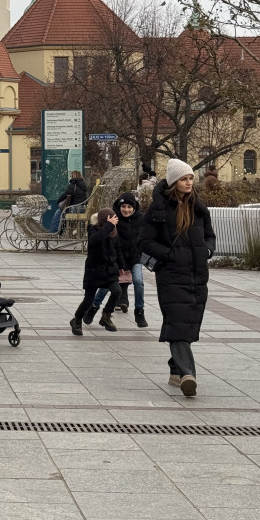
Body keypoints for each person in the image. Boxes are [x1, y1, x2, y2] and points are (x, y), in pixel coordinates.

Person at [138, 158, 216, 397]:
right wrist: (169, 255)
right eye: (184, 178)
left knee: (189, 324)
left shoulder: (197, 206)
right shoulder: (159, 209)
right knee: (178, 322)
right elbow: (144, 241)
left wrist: (207, 250)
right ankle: (187, 375)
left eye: (191, 178)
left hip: (197, 275)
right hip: (171, 276)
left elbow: (210, 236)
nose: (189, 182)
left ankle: (174, 369)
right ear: (174, 182)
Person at [89, 192, 146, 325]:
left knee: (139, 281)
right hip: (115, 258)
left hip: (134, 257)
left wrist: (141, 250)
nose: (126, 210)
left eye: (129, 207)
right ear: (119, 207)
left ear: (134, 207)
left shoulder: (141, 219)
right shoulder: (114, 219)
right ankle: (93, 307)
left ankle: (139, 310)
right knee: (106, 286)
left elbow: (146, 237)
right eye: (123, 206)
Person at [69, 208, 122, 335]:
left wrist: (121, 266)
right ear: (105, 219)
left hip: (109, 271)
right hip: (94, 271)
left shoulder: (113, 231)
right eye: (112, 218)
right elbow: (95, 240)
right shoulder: (94, 229)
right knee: (88, 300)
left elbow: (117, 249)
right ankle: (77, 319)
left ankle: (106, 316)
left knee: (117, 291)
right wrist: (109, 226)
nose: (115, 221)